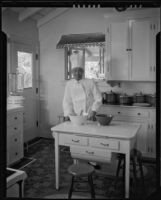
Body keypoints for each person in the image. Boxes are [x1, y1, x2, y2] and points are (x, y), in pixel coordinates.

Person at [63, 66, 102, 169]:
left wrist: (94, 111)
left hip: (89, 114)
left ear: (83, 72)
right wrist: (68, 114)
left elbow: (98, 98)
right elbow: (67, 100)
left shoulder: (90, 82)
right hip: (76, 116)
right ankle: (77, 158)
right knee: (77, 138)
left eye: (79, 70)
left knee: (91, 138)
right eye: (75, 71)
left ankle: (93, 160)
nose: (77, 73)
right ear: (71, 72)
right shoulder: (69, 84)